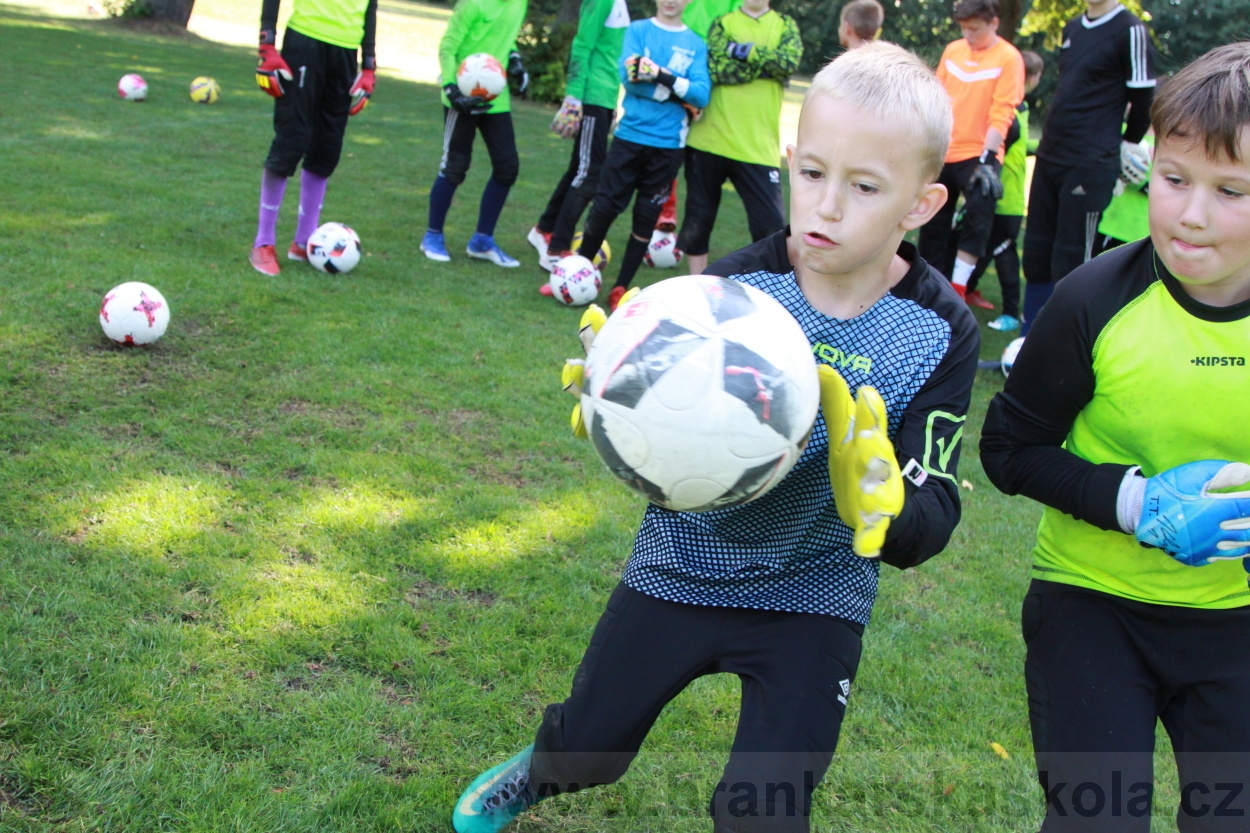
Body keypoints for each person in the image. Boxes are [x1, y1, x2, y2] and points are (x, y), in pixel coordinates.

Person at [450, 41, 980, 833]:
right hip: (683, 563)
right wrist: (615, 395)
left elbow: (932, 506)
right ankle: (541, 766)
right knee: (594, 750)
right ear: (789, 163)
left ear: (921, 204)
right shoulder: (730, 290)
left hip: (815, 593)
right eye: (812, 174)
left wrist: (883, 502)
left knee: (762, 810)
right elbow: (654, 394)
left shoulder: (940, 331)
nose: (827, 206)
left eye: (865, 186)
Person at [981, 42, 1250, 832]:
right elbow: (1008, 449)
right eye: (1173, 179)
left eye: (1230, 190)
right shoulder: (1093, 296)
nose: (1189, 213)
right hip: (1090, 604)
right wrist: (1134, 502)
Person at [1018, 0, 1155, 336]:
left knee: (1072, 261)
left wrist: (1127, 145)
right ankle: (1027, 340)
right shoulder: (1073, 27)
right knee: (1036, 252)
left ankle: (1063, 341)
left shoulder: (1131, 30)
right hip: (1051, 155)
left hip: (1090, 161)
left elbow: (1144, 98)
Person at [571, 0, 710, 312]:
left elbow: (702, 94)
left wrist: (658, 74)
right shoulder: (637, 30)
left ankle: (622, 287)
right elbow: (630, 79)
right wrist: (676, 88)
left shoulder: (695, 43)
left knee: (646, 217)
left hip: (668, 146)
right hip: (628, 138)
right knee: (604, 209)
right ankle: (577, 273)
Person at [248, 0, 378, 276]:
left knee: (327, 148)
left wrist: (368, 65)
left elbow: (370, 6)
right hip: (305, 42)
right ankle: (263, 242)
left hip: (345, 52)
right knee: (291, 140)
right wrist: (266, 44)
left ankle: (304, 242)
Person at [674, 0, 802, 275]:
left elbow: (788, 61)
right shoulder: (722, 23)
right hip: (709, 140)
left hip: (758, 147)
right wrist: (766, 66)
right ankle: (697, 284)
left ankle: (773, 293)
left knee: (771, 229)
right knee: (699, 220)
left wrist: (742, 52)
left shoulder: (785, 26)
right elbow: (718, 69)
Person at [918, 0, 1024, 299]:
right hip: (944, 150)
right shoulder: (953, 50)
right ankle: (926, 285)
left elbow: (1002, 112)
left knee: (979, 213)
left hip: (978, 153)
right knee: (931, 218)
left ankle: (959, 288)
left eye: (974, 29)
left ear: (993, 23)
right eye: (964, 29)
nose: (968, 35)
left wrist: (989, 159)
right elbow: (936, 97)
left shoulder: (1008, 58)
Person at [419, 0, 529, 267]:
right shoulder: (472, 4)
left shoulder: (519, 3)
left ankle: (482, 241)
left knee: (507, 167)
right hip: (461, 95)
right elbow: (448, 47)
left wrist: (514, 59)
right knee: (455, 166)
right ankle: (432, 236)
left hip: (496, 98)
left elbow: (503, 38)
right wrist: (450, 88)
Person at [527, 0, 631, 276]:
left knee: (580, 168)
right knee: (590, 174)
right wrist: (573, 97)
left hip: (604, 99)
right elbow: (582, 45)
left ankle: (544, 230)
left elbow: (609, 53)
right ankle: (556, 249)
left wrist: (613, 103)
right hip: (590, 98)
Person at [963, 49, 1043, 331]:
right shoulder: (1006, 110)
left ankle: (986, 299)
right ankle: (1001, 307)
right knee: (995, 249)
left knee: (992, 248)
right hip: (999, 196)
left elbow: (1015, 147)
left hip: (1006, 197)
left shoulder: (1018, 109)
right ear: (1032, 77)